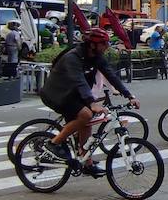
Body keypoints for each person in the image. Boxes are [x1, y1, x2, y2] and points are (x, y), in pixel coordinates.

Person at [38, 27, 138, 174]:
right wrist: (92, 103)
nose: (107, 46)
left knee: (87, 123)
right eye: (104, 43)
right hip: (56, 93)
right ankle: (53, 144)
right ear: (92, 44)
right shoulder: (72, 58)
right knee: (86, 115)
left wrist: (129, 95)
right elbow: (79, 81)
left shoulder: (95, 57)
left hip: (73, 93)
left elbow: (111, 75)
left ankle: (86, 162)